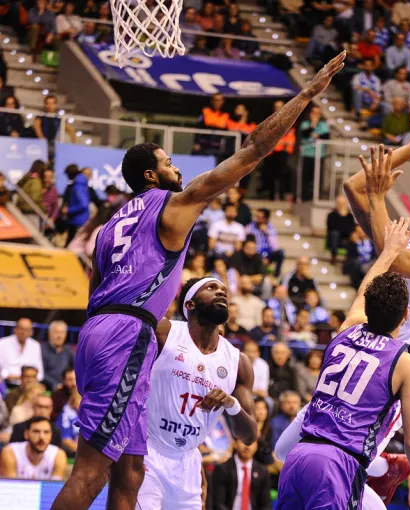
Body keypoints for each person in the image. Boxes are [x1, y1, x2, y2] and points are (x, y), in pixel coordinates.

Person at [51, 51, 347, 510]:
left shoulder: (110, 225)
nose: (177, 168)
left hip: (97, 331)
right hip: (126, 334)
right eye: (169, 162)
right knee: (91, 470)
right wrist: (306, 94)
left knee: (131, 470)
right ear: (151, 175)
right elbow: (253, 150)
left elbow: (95, 291)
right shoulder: (173, 205)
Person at [280, 140, 410, 505]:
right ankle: (384, 470)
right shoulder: (404, 241)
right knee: (284, 450)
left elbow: (396, 260)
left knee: (347, 463)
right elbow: (353, 187)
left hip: (399, 367)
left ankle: (380, 470)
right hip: (362, 348)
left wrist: (378, 196)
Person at [276, 218, 410, 510]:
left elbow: (364, 291)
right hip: (338, 464)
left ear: (368, 308)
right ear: (406, 315)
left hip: (300, 454)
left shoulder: (347, 328)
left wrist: (389, 251)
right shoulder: (406, 363)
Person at [135, 277, 257, 509]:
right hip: (148, 450)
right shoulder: (165, 332)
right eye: (211, 288)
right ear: (189, 304)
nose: (221, 292)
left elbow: (250, 436)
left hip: (188, 460)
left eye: (224, 290)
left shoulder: (238, 362)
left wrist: (231, 404)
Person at [0, 416, 68, 480]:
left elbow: (56, 487)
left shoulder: (58, 455)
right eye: (36, 431)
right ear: (26, 434)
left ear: (51, 435)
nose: (42, 437)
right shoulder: (11, 451)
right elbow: (10, 486)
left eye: (46, 432)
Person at [212, 438, 272, 510]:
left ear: (257, 446)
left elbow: (266, 504)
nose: (247, 446)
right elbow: (218, 502)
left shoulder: (262, 471)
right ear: (235, 444)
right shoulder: (222, 469)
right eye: (243, 441)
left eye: (251, 442)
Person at [0, 318, 44, 388]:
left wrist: (29, 378)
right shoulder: (2, 343)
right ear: (15, 329)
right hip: (7, 383)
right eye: (21, 329)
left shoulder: (35, 345)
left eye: (27, 330)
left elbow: (40, 373)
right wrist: (9, 376)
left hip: (30, 385)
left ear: (31, 332)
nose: (23, 332)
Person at [41, 320, 74, 390]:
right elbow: (41, 373)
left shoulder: (69, 351)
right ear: (49, 333)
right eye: (56, 332)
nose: (59, 336)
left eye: (62, 332)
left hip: (66, 388)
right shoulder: (41, 350)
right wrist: (55, 385)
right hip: (46, 387)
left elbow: (75, 370)